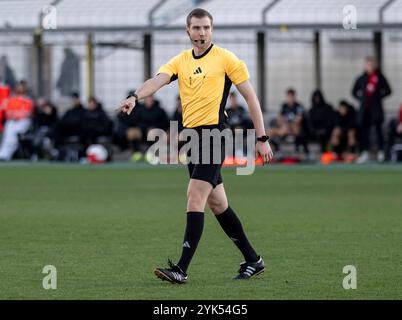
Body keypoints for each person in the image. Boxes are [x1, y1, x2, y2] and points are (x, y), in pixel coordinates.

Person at [117, 8, 273, 284]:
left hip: (215, 136)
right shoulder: (181, 61)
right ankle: (253, 259)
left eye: (206, 28)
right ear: (187, 31)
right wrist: (134, 96)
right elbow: (158, 81)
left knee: (194, 196)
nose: (202, 33)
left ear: (212, 30)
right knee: (217, 203)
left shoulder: (226, 59)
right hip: (193, 140)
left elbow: (251, 99)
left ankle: (181, 269)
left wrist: (261, 139)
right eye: (197, 28)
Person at [352, 56, 392, 163]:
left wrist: (378, 97)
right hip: (364, 110)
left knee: (378, 131)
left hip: (376, 109)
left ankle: (381, 152)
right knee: (364, 132)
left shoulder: (379, 77)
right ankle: (364, 152)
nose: (369, 66)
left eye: (371, 64)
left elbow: (388, 90)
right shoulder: (361, 78)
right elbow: (354, 91)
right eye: (367, 64)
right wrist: (361, 98)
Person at [268, 88, 309, 155]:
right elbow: (279, 119)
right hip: (285, 128)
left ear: (294, 97)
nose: (289, 98)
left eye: (291, 96)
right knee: (270, 131)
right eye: (288, 96)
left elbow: (299, 119)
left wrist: (289, 123)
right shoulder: (284, 106)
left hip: (295, 129)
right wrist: (285, 123)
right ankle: (273, 151)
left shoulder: (298, 106)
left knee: (293, 126)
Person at [0, 82, 33, 160]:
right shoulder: (12, 100)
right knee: (7, 136)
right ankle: (3, 154)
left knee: (13, 137)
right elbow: (8, 112)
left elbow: (27, 113)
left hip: (22, 121)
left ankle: (7, 155)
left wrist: (17, 115)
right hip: (12, 121)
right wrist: (14, 115)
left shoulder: (27, 100)